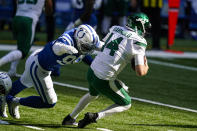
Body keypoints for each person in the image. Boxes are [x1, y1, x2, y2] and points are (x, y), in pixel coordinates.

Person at [62, 13, 150, 128]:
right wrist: (146, 64)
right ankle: (95, 116)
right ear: (140, 26)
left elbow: (104, 47)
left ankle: (70, 118)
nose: (146, 30)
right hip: (103, 78)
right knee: (126, 103)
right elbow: (140, 71)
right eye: (145, 27)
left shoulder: (115, 29)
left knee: (93, 94)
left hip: (92, 70)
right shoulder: (139, 42)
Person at [3, 24, 103, 119]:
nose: (87, 49)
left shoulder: (84, 40)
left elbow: (100, 46)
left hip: (39, 61)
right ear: (78, 39)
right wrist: (65, 48)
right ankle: (12, 101)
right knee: (50, 102)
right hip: (39, 67)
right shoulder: (67, 41)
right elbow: (57, 47)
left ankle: (6, 99)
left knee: (23, 83)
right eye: (86, 47)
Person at [0, 0, 53, 77]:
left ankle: (12, 70)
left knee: (20, 45)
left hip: (17, 17)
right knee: (23, 51)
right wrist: (48, 11)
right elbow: (49, 5)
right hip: (29, 19)